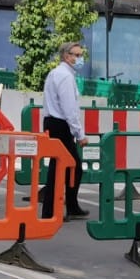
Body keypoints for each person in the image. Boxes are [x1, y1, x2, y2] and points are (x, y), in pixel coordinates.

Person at [40, 41, 88, 220]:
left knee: (61, 166)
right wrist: (80, 134)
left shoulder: (55, 73)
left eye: (80, 55)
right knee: (70, 165)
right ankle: (62, 208)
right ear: (66, 56)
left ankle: (58, 208)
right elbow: (69, 109)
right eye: (76, 55)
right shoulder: (66, 77)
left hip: (51, 123)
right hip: (61, 125)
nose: (80, 58)